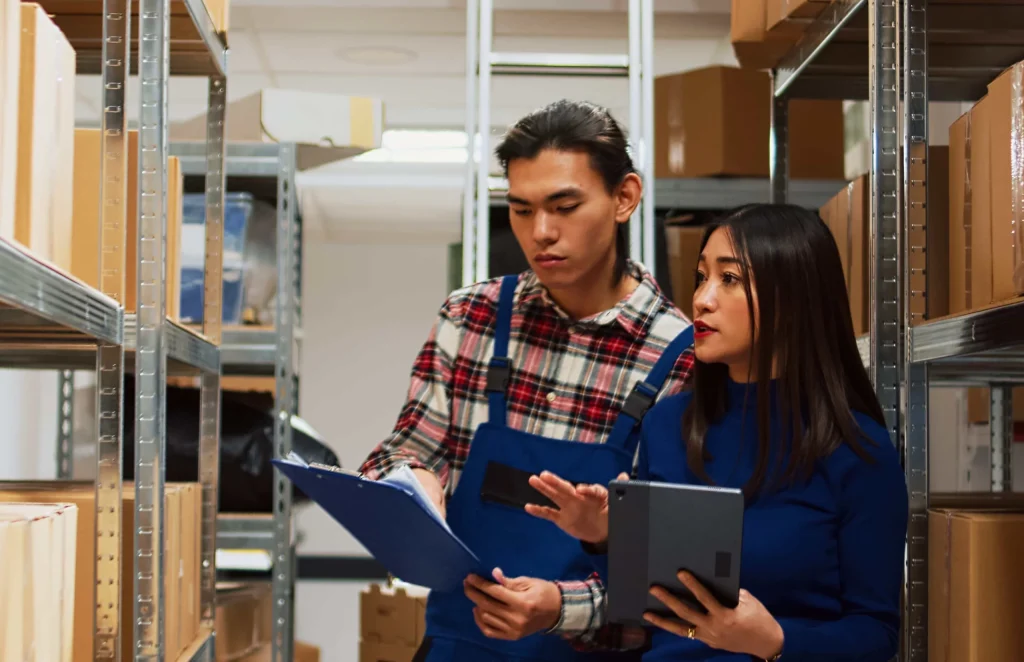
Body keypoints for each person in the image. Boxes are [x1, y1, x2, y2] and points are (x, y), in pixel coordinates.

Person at [357, 99, 696, 661]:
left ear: (625, 197)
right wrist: (410, 480)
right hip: (458, 646)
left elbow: (675, 570)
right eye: (521, 209)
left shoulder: (682, 358)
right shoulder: (471, 317)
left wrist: (561, 608)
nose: (541, 232)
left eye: (565, 207)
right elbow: (403, 450)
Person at [522, 204, 909, 661]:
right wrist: (604, 538)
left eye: (729, 279)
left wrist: (775, 642)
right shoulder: (667, 425)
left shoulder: (857, 450)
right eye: (701, 277)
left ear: (793, 298)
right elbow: (650, 611)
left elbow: (876, 633)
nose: (702, 299)